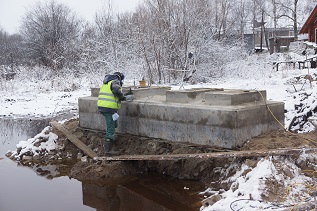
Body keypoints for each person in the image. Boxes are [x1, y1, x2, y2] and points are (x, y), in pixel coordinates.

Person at [97, 72, 126, 155]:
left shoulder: (106, 82)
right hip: (108, 108)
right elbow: (116, 90)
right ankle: (108, 151)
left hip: (104, 107)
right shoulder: (115, 81)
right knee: (110, 128)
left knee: (114, 123)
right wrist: (122, 97)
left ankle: (112, 138)